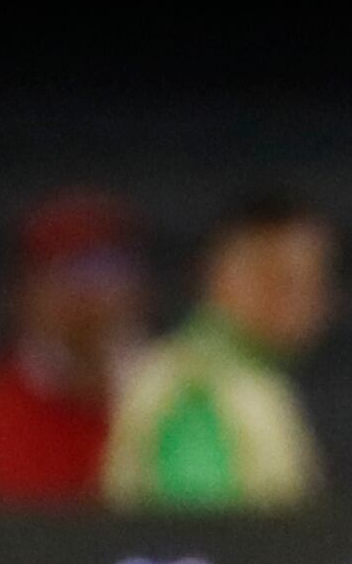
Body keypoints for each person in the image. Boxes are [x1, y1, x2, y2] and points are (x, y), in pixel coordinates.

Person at [102, 191, 334, 511]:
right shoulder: (199, 390)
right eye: (274, 277)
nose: (298, 299)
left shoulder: (253, 384)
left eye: (312, 279)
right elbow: (197, 535)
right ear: (216, 274)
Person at [0, 191, 146, 505]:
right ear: (23, 294)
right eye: (61, 275)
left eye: (101, 272)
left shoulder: (175, 400)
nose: (83, 297)